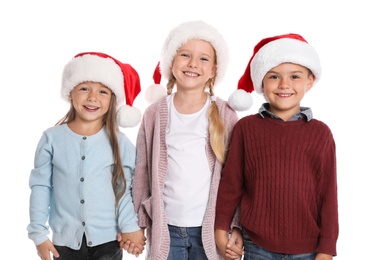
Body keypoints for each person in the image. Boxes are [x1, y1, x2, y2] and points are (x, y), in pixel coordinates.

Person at [215, 33, 339, 260]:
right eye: (274, 77)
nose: (284, 85)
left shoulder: (321, 133)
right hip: (257, 246)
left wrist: (327, 249)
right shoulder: (246, 128)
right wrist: (221, 228)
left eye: (294, 76)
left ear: (309, 81)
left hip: (307, 249)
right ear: (261, 82)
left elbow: (328, 194)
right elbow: (232, 183)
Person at [131, 20, 244, 259]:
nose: (193, 64)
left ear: (214, 70)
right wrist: (138, 223)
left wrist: (235, 225)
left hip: (212, 230)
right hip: (165, 228)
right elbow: (141, 170)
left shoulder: (225, 114)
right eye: (185, 55)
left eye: (204, 59)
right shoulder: (154, 114)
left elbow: (237, 176)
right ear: (171, 62)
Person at [27, 52, 146, 260]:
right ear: (70, 92)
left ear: (113, 100)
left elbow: (125, 189)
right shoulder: (51, 139)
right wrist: (38, 234)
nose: (92, 97)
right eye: (84, 88)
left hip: (108, 242)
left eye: (103, 92)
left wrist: (129, 226)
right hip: (64, 244)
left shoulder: (120, 142)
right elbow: (40, 187)